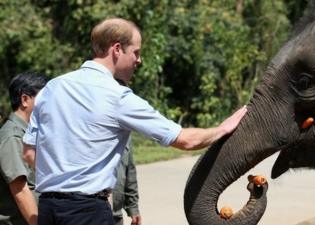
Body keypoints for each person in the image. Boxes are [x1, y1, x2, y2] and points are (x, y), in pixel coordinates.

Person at [22, 17, 247, 225]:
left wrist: (62, 176)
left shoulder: (52, 88)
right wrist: (223, 128)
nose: (139, 60)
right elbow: (184, 140)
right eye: (136, 52)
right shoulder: (116, 96)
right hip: (87, 212)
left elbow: (29, 153)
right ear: (117, 49)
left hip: (48, 209)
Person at [0, 72, 47, 225]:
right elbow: (20, 190)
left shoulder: (27, 135)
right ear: (25, 100)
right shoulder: (12, 137)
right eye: (44, 99)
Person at [112, 138, 140, 225]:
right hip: (88, 212)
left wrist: (133, 208)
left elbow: (130, 173)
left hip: (116, 215)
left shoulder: (125, 136)